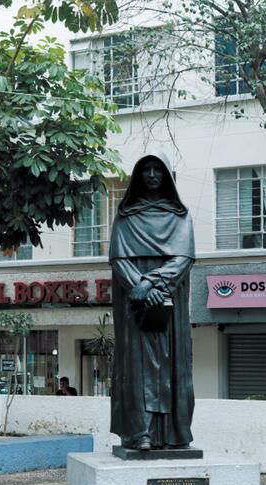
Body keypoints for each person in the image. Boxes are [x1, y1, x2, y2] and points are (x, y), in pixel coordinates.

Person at [109, 152, 196, 451]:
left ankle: (174, 433)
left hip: (170, 299)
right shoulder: (125, 216)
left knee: (173, 364)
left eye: (157, 169)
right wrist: (139, 286)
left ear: (167, 175)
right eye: (145, 169)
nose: (151, 175)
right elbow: (118, 260)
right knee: (137, 366)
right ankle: (139, 432)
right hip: (135, 303)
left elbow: (183, 258)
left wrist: (151, 282)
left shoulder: (180, 216)